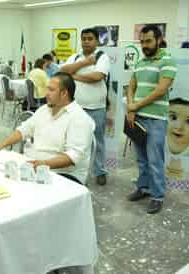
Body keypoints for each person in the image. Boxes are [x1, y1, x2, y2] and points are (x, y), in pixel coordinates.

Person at [0, 72, 95, 185]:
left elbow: (72, 157)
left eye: (51, 90)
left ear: (64, 93)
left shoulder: (79, 119)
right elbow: (24, 130)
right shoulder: (44, 110)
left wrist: (43, 164)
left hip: (62, 175)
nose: (46, 94)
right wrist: (2, 144)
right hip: (36, 167)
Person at [126, 25, 177, 214]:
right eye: (142, 42)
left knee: (155, 159)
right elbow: (131, 86)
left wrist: (136, 106)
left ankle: (157, 195)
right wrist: (131, 108)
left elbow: (161, 90)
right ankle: (143, 188)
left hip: (156, 119)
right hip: (138, 117)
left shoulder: (167, 61)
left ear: (158, 39)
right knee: (141, 158)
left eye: (148, 41)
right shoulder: (140, 62)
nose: (145, 45)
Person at [61, 27, 110, 186]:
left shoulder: (102, 57)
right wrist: (85, 63)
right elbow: (63, 71)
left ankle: (100, 171)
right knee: (74, 140)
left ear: (96, 41)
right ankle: (73, 170)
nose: (86, 41)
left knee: (98, 141)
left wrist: (74, 75)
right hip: (76, 107)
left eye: (90, 38)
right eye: (84, 39)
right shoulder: (75, 57)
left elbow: (97, 76)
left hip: (96, 107)